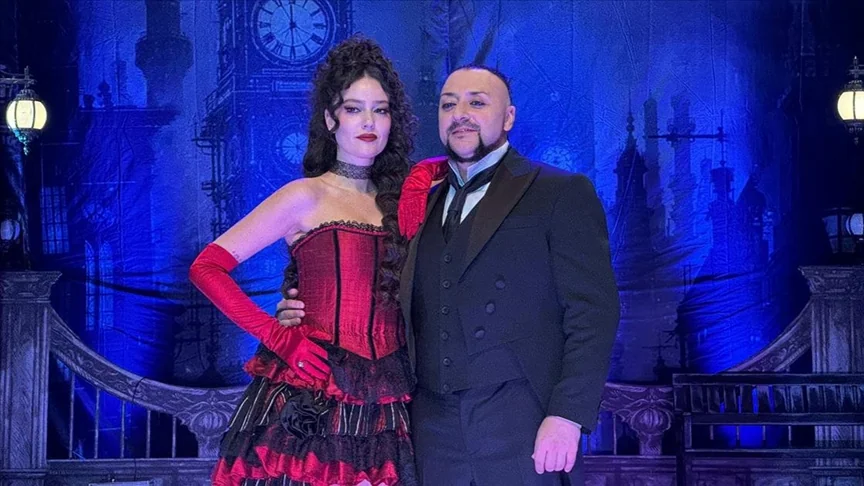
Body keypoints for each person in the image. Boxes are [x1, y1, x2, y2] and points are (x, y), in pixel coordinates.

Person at [277, 64, 620, 486]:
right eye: (448, 105)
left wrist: (567, 415)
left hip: (523, 421)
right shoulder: (417, 202)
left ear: (508, 117)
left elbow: (594, 314)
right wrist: (305, 306)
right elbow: (376, 288)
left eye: (477, 102)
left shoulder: (558, 191)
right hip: (431, 428)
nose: (461, 115)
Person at [189, 37, 418, 486]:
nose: (369, 122)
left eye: (380, 110)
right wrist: (278, 335)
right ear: (331, 119)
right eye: (353, 109)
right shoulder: (303, 196)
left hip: (389, 396)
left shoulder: (402, 200)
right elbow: (206, 268)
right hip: (310, 388)